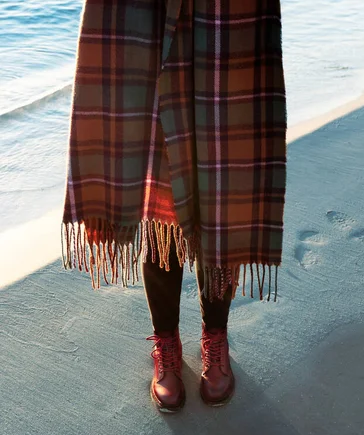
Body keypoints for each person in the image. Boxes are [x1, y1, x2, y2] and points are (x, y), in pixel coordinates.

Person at [61, 0, 287, 414]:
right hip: (141, 18)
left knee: (220, 194)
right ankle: (166, 342)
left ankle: (214, 336)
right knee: (158, 202)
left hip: (227, 18)